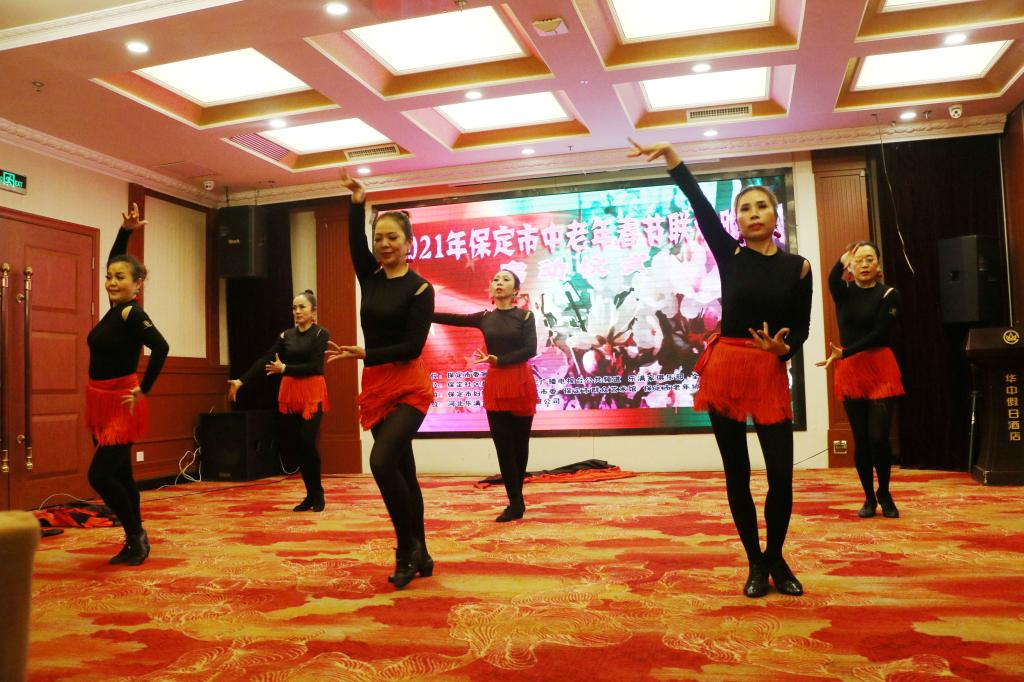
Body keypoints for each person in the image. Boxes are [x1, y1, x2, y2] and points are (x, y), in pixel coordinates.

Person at [629, 139, 813, 598]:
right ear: (737, 220)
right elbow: (698, 202)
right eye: (745, 208)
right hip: (726, 369)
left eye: (761, 206)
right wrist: (671, 157)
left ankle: (777, 558)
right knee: (737, 472)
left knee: (781, 475)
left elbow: (802, 329)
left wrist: (783, 350)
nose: (754, 214)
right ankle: (755, 563)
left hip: (768, 371)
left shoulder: (799, 267)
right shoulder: (730, 254)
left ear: (775, 216)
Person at [330, 170, 435, 590]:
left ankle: (405, 549)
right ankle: (422, 551)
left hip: (409, 386)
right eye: (379, 238)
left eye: (393, 237)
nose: (384, 244)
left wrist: (365, 353)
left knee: (380, 462)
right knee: (403, 471)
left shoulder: (420, 289)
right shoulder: (370, 278)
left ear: (409, 243)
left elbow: (412, 347)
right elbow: (353, 243)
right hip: (375, 386)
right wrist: (356, 202)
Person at [86, 203, 169, 566]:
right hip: (99, 402)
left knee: (99, 475)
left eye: (120, 277)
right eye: (109, 276)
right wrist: (125, 232)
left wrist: (144, 389)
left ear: (138, 284)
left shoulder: (132, 313)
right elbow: (115, 260)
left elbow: (161, 347)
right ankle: (134, 541)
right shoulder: (113, 309)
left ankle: (136, 534)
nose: (112, 281)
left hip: (122, 403)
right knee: (121, 473)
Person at [433, 270, 538, 522]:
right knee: (503, 446)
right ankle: (515, 503)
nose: (499, 282)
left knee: (519, 445)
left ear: (515, 290)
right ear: (491, 289)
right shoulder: (484, 318)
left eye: (505, 279)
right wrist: (420, 311)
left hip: (520, 382)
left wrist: (499, 359)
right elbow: (451, 318)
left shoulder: (525, 316)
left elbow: (530, 349)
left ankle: (517, 498)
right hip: (496, 385)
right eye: (495, 280)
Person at [817, 242, 903, 519]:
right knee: (862, 439)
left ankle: (885, 493)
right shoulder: (843, 292)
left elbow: (880, 333)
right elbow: (832, 278)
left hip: (880, 367)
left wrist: (845, 352)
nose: (864, 264)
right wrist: (841, 260)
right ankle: (868, 497)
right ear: (851, 267)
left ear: (878, 265)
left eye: (870, 259)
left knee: (878, 437)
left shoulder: (889, 294)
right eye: (859, 260)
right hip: (851, 370)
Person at [227, 290, 330, 512]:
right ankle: (310, 495)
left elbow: (315, 366)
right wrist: (241, 381)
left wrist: (284, 368)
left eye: (302, 307)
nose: (297, 311)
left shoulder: (321, 333)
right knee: (297, 445)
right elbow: (266, 358)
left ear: (313, 311)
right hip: (290, 394)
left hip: (312, 393)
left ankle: (318, 492)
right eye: (294, 308)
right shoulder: (286, 336)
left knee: (308, 443)